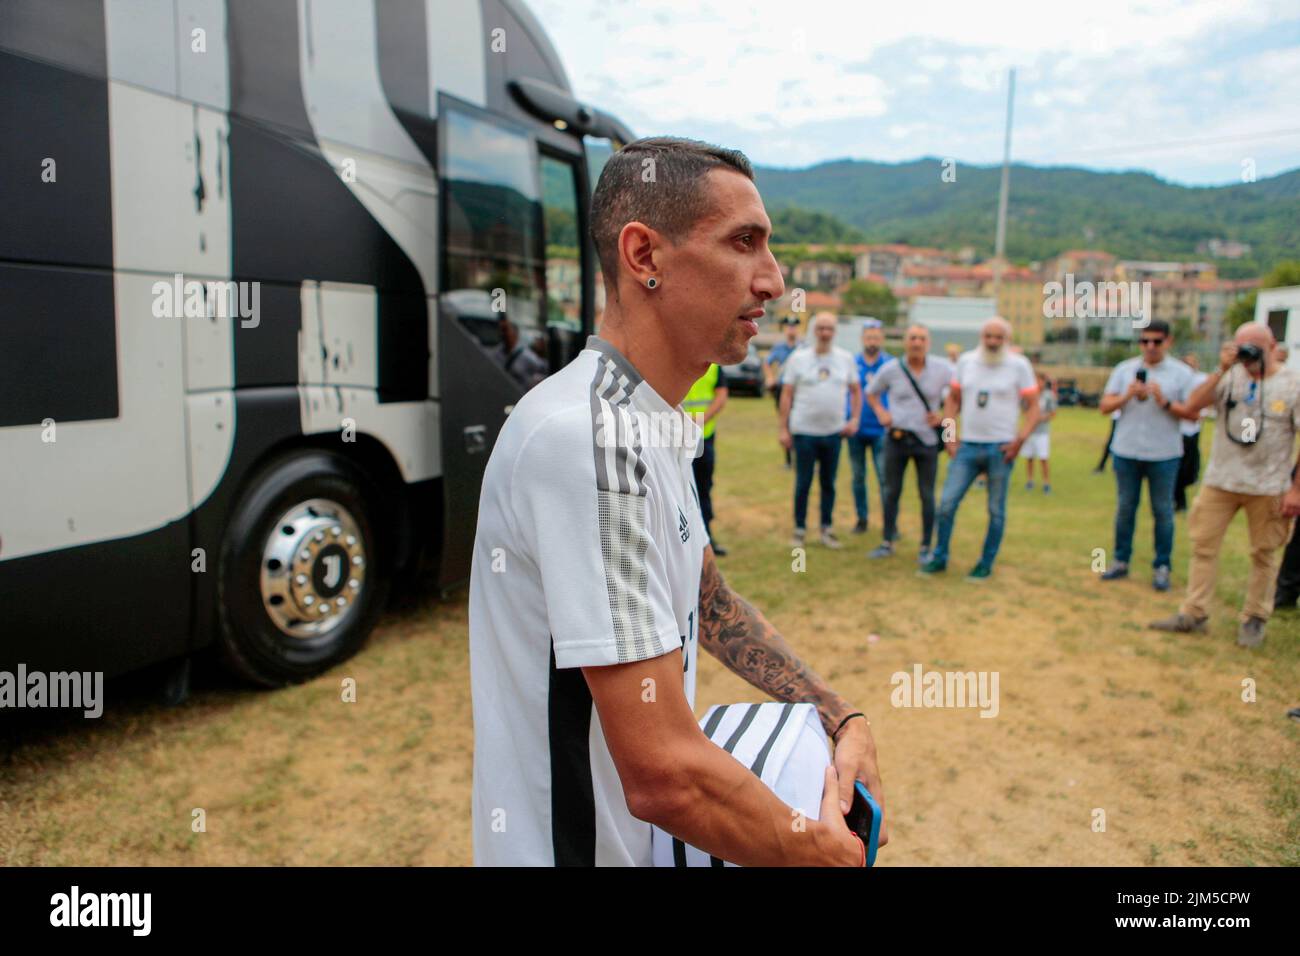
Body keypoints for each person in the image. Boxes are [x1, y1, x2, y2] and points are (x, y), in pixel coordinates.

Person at [469, 136, 885, 867]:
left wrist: (837, 713)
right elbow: (662, 774)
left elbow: (710, 598)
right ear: (645, 257)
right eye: (744, 243)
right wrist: (819, 853)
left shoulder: (651, 420)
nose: (774, 280)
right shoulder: (589, 439)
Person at [1149, 322, 1300, 646]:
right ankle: (1194, 612)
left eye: (1253, 348)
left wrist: (1295, 489)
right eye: (1240, 346)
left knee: (1264, 554)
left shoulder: (1292, 382)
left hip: (1268, 485)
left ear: (1272, 346)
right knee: (1203, 547)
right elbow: (1191, 407)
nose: (1246, 354)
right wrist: (1221, 369)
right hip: (1221, 480)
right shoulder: (1229, 376)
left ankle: (1255, 618)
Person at [921, 317, 1040, 579]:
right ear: (981, 337)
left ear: (1007, 340)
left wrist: (1020, 440)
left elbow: (1033, 406)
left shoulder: (1018, 366)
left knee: (996, 510)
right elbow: (953, 400)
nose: (993, 342)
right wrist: (950, 436)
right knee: (947, 504)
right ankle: (939, 556)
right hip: (968, 447)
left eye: (999, 337)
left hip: (1002, 448)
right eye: (988, 336)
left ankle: (985, 562)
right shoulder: (966, 362)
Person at [1096, 321, 1198, 591]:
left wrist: (1164, 401)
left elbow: (1193, 413)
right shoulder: (1125, 369)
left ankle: (1162, 565)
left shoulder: (1181, 373)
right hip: (1127, 450)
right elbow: (1104, 406)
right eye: (1145, 341)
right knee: (1125, 508)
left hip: (1164, 454)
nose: (1150, 347)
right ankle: (1120, 560)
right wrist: (1127, 395)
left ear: (1168, 342)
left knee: (1163, 511)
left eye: (1156, 341)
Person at [864, 323, 952, 563]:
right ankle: (887, 541)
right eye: (912, 338)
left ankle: (925, 546)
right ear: (905, 342)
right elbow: (870, 392)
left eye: (921, 338)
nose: (916, 343)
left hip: (927, 440)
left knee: (927, 494)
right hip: (897, 438)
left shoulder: (943, 369)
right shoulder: (891, 369)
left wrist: (945, 416)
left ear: (928, 343)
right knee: (891, 491)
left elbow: (957, 394)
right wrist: (881, 412)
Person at [779, 312, 861, 549]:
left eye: (829, 329)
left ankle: (826, 528)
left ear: (835, 332)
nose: (825, 333)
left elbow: (856, 390)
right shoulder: (799, 358)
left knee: (829, 483)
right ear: (813, 330)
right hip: (804, 431)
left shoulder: (845, 359)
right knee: (803, 482)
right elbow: (787, 394)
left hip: (833, 432)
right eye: (820, 328)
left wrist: (854, 418)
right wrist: (783, 428)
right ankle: (799, 529)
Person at [847, 318, 894, 534]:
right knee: (858, 477)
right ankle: (862, 518)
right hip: (857, 429)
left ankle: (890, 523)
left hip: (881, 431)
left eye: (876, 337)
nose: (872, 341)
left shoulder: (890, 364)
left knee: (885, 478)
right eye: (868, 337)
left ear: (881, 338)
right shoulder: (852, 363)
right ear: (862, 339)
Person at [683, 363, 729, 556]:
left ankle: (706, 539)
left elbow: (721, 396)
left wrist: (700, 420)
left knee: (703, 488)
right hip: (676, 437)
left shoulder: (715, 368)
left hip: (703, 437)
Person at [765, 317, 802, 468]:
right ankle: (788, 459)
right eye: (788, 326)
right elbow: (767, 363)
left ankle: (800, 456)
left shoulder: (803, 347)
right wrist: (770, 378)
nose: (791, 329)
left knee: (798, 420)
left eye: (794, 327)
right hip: (782, 389)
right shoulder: (779, 347)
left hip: (798, 390)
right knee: (784, 421)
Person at [1175, 353, 1209, 512]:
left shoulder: (1201, 379)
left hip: (1193, 429)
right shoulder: (1177, 380)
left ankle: (1185, 487)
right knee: (1179, 468)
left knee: (1189, 467)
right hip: (1177, 431)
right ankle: (1179, 500)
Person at [1021, 372, 1056, 493]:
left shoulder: (1049, 395)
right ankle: (1030, 480)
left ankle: (1046, 482)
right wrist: (1031, 418)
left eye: (1039, 381)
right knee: (1029, 457)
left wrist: (1040, 418)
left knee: (1043, 458)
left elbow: (1053, 413)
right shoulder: (1030, 395)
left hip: (1042, 432)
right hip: (1030, 432)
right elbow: (1024, 409)